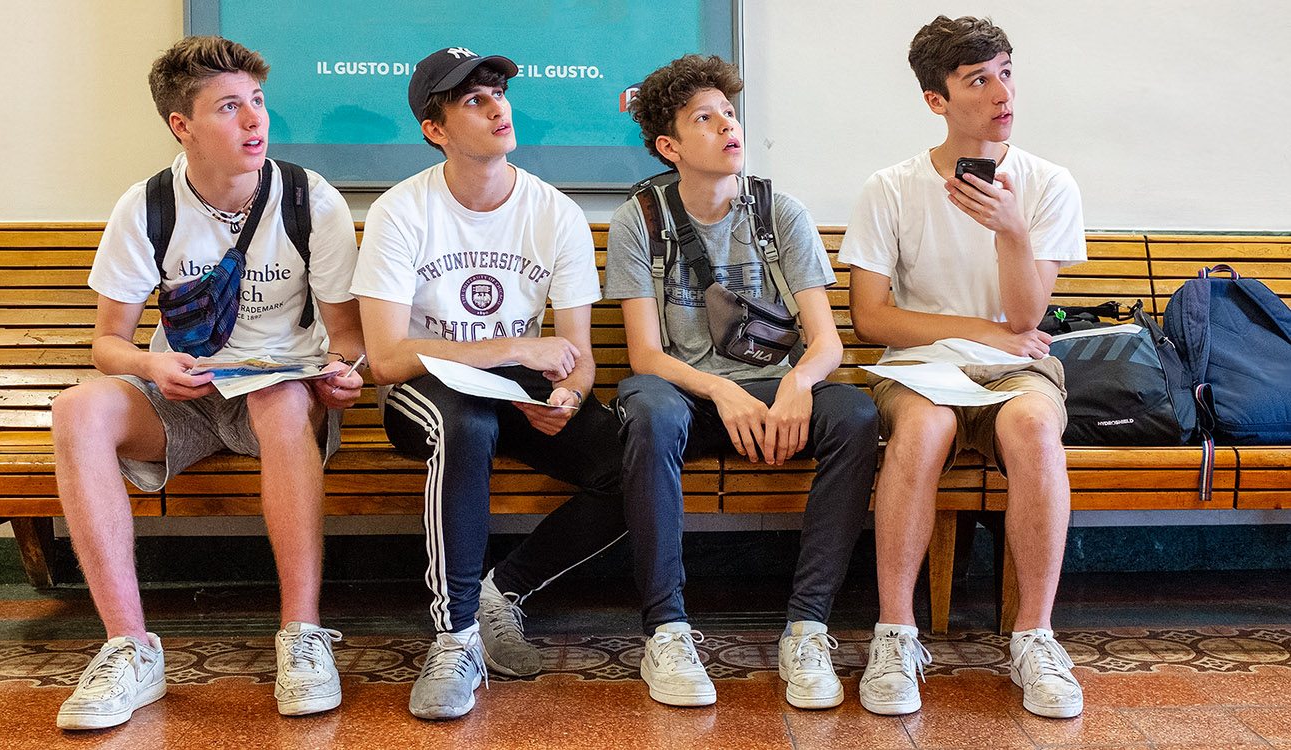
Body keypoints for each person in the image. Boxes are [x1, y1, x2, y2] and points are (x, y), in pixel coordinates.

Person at [49, 36, 365, 729]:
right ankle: (129, 649)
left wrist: (346, 374)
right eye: (229, 106)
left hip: (284, 389)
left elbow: (346, 336)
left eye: (257, 101)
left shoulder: (310, 200)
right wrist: (149, 364)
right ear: (181, 126)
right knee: (77, 411)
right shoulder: (148, 205)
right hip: (184, 390)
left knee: (281, 398)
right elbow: (108, 343)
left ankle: (303, 637)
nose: (254, 120)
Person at [351, 46, 630, 721]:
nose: (497, 106)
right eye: (474, 99)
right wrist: (509, 347)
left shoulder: (553, 211)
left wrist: (568, 395)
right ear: (436, 129)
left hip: (519, 391)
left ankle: (500, 594)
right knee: (465, 424)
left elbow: (578, 355)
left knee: (633, 463)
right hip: (427, 391)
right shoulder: (402, 211)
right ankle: (455, 639)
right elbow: (385, 360)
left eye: (499, 92)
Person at [607, 54, 879, 709]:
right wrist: (721, 390)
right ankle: (667, 632)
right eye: (706, 118)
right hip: (689, 400)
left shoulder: (777, 213)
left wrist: (799, 388)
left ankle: (807, 628)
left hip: (777, 399)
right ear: (669, 145)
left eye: (729, 113)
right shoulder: (640, 221)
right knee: (647, 412)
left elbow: (827, 342)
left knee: (856, 416)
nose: (728, 126)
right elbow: (645, 355)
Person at [840, 16, 1086, 718]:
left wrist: (1011, 228)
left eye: (1006, 72)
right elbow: (872, 319)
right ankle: (896, 634)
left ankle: (1034, 638)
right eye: (978, 79)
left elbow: (1026, 321)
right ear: (936, 100)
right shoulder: (891, 187)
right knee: (922, 431)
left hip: (1016, 369)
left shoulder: (1046, 184)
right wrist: (978, 330)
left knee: (1036, 428)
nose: (1001, 92)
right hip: (919, 369)